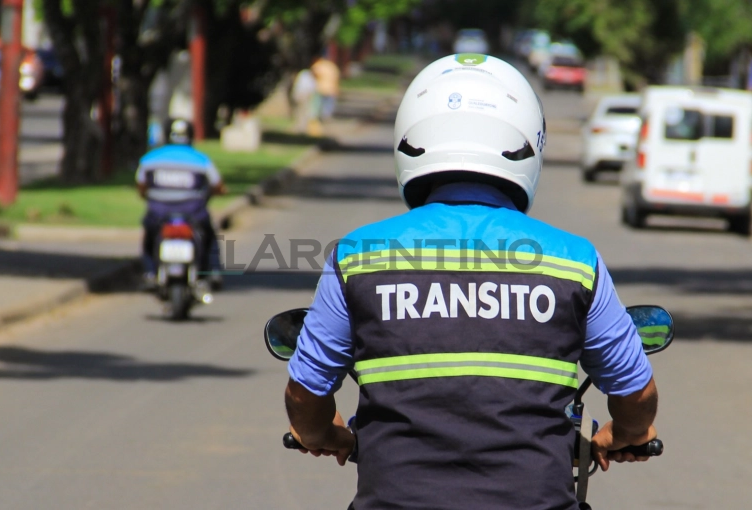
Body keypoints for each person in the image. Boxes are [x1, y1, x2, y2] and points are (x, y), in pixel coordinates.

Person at [283, 55, 659, 510]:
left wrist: (322, 432)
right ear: (527, 142)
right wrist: (626, 433)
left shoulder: (356, 257)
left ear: (409, 138)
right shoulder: (576, 261)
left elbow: (305, 392)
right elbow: (636, 393)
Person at [136, 119, 225, 290]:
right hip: (194, 214)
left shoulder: (149, 159)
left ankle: (149, 273)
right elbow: (217, 185)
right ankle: (214, 271)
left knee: (149, 238)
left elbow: (141, 186)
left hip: (158, 214)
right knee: (210, 237)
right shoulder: (201, 160)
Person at [310, 54, 341, 121]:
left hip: (320, 88)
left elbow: (313, 73)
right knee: (328, 103)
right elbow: (337, 77)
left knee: (318, 103)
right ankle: (326, 116)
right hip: (331, 88)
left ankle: (317, 116)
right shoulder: (332, 66)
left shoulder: (319, 65)